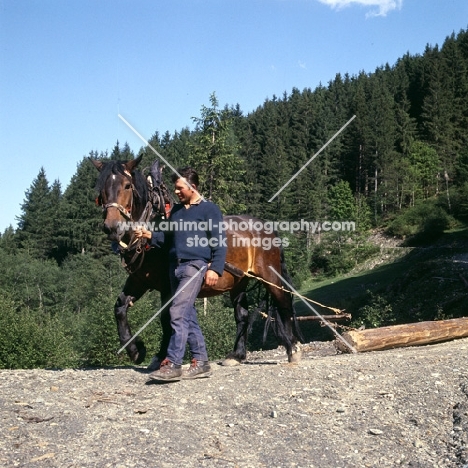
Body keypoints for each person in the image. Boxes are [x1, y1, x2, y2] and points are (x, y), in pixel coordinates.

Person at [134, 167, 227, 380]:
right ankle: (201, 361)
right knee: (188, 314)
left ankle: (174, 363)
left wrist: (215, 268)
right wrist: (148, 234)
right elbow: (168, 239)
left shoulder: (209, 210)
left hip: (195, 266)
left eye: (179, 188)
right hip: (174, 267)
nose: (176, 192)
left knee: (176, 312)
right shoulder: (176, 211)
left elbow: (219, 242)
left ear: (192, 187)